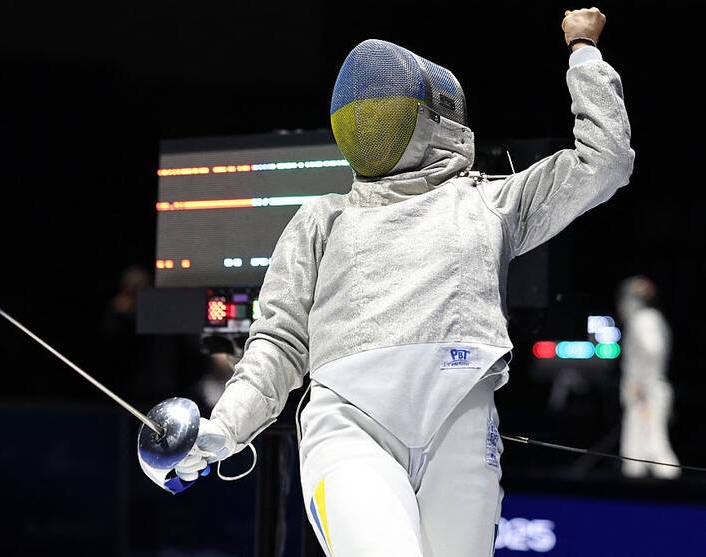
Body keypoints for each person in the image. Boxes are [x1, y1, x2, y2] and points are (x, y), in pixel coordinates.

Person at [171, 7, 634, 556]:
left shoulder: (491, 203)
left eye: (382, 108)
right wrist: (225, 426)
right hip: (349, 429)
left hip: (461, 431)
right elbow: (278, 341)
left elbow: (605, 161)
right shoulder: (324, 219)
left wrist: (584, 54)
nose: (368, 119)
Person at [616, 275, 681, 479]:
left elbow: (653, 350)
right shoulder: (651, 318)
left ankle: (677, 492)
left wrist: (642, 384)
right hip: (644, 393)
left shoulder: (644, 319)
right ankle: (631, 496)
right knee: (633, 452)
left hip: (646, 394)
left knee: (654, 447)